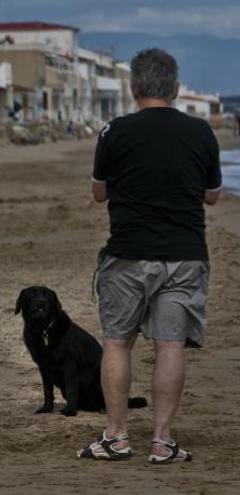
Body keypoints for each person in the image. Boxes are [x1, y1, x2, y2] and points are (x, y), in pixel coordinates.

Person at [78, 48, 222, 464]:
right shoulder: (201, 133)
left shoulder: (114, 132)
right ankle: (162, 441)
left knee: (118, 342)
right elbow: (212, 196)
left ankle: (116, 436)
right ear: (176, 89)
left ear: (133, 88)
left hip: (127, 255)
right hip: (184, 256)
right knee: (171, 345)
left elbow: (98, 191)